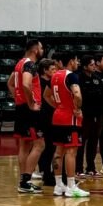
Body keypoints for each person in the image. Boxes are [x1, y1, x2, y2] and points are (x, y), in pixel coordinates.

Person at [44, 52, 89, 198]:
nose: (78, 63)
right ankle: (71, 186)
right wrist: (78, 108)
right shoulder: (71, 76)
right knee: (71, 152)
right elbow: (77, 94)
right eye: (76, 60)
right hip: (70, 118)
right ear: (71, 61)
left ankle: (58, 185)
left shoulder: (54, 76)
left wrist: (58, 106)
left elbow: (46, 95)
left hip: (57, 116)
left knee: (58, 151)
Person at [8, 39, 45, 194]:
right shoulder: (30, 64)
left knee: (24, 146)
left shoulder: (19, 63)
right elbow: (25, 84)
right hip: (30, 111)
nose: (43, 50)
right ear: (35, 49)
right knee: (40, 144)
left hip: (20, 108)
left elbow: (10, 83)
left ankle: (24, 182)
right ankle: (26, 181)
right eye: (41, 47)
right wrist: (31, 103)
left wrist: (18, 98)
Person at [76, 55, 102, 177]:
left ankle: (91, 167)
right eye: (91, 65)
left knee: (93, 143)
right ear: (85, 66)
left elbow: (101, 94)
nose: (94, 67)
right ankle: (78, 168)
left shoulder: (97, 78)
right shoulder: (78, 78)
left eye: (94, 64)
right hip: (84, 115)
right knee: (81, 143)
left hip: (96, 115)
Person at [37, 59, 58, 187]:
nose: (55, 72)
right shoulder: (40, 83)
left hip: (51, 116)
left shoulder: (51, 82)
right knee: (46, 147)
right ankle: (45, 173)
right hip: (43, 117)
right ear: (45, 71)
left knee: (51, 146)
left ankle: (48, 172)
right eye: (52, 70)